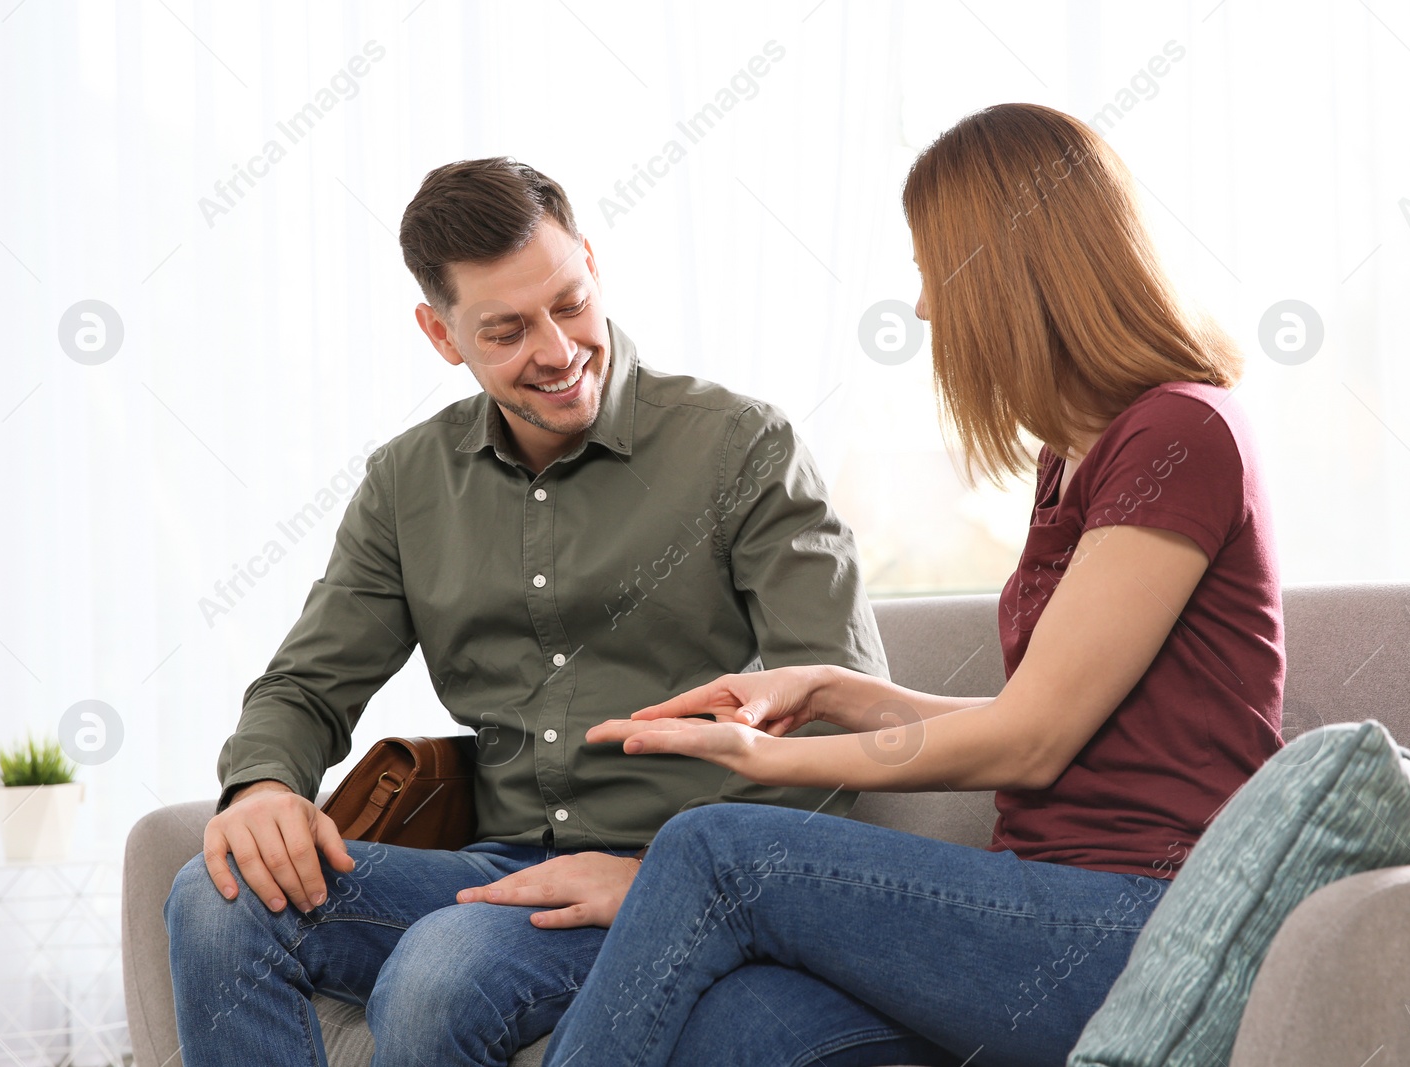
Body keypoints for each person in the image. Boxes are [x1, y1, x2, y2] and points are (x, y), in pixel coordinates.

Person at [542, 103, 1286, 1067]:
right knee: (746, 1019)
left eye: (933, 270)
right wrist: (829, 690)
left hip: (1147, 929)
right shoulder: (1076, 456)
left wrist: (763, 764)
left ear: (1010, 272)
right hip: (1045, 904)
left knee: (711, 848)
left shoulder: (1179, 434)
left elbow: (1032, 738)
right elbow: (1053, 711)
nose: (927, 307)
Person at [163, 157, 888, 1067]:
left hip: (686, 869)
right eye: (505, 330)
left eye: (571, 302)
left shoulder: (741, 446)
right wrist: (263, 783)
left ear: (589, 258)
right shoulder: (407, 483)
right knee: (217, 897)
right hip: (503, 868)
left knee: (442, 969)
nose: (557, 349)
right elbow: (307, 682)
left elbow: (841, 702)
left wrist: (669, 879)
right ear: (441, 334)